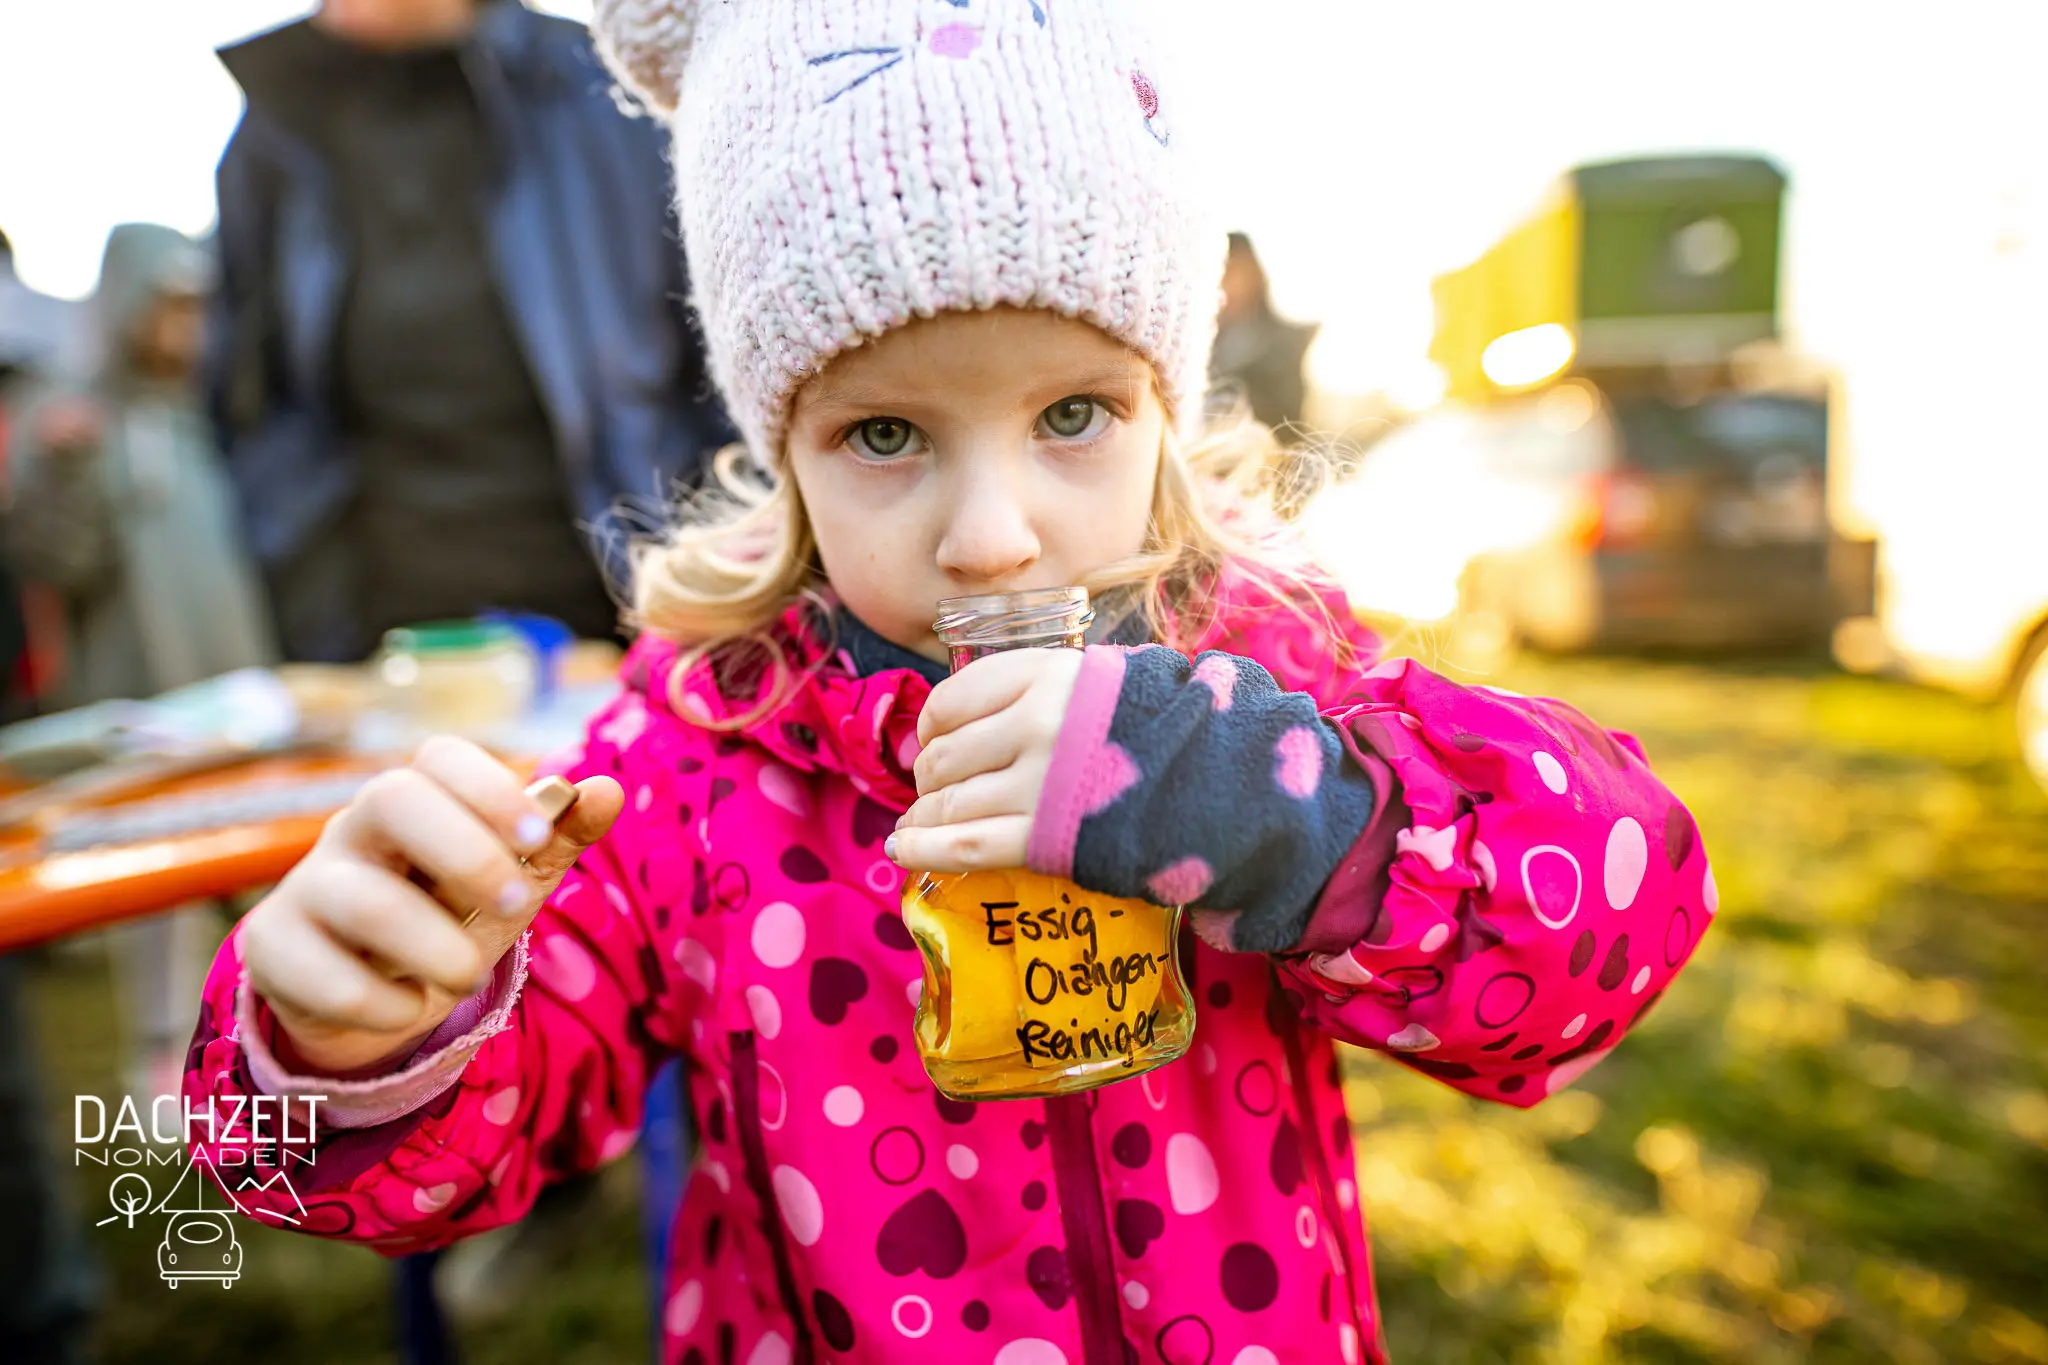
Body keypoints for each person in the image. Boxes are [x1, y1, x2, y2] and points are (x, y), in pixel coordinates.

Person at [182, 4, 1716, 1363]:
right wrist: (353, 1045)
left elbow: (1605, 925)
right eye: (886, 436)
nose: (993, 538)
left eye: (1072, 412)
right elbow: (485, 1119)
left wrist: (1275, 814)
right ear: (782, 448)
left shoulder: (1268, 669)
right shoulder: (698, 750)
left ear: (1167, 405)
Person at [209, 0, 734, 663]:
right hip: (388, 640)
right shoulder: (278, 131)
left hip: (627, 618)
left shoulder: (597, 87)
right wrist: (311, 600)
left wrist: (713, 582)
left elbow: (717, 366)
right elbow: (252, 399)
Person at [1210, 232, 1319, 438]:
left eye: (1232, 271)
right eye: (1220, 273)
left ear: (1254, 274)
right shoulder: (1203, 354)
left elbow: (1287, 422)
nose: (1226, 285)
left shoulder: (1286, 344)